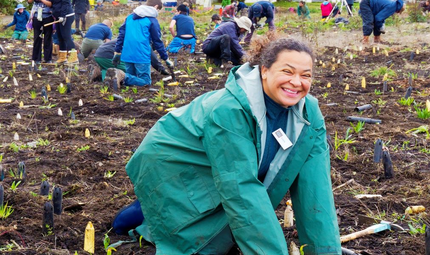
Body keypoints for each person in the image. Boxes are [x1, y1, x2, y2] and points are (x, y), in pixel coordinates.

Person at [112, 35, 342, 255]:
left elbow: (316, 187)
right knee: (192, 234)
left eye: (306, 75)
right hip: (172, 160)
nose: (296, 82)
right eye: (287, 71)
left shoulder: (309, 113)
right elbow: (241, 188)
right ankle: (143, 212)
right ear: (264, 70)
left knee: (224, 219)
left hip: (222, 165)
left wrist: (326, 252)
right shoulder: (230, 109)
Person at [108, 0, 171, 90]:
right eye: (158, 10)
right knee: (145, 81)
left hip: (127, 53)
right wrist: (166, 58)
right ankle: (123, 77)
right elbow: (157, 41)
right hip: (141, 54)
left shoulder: (129, 17)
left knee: (131, 79)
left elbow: (121, 36)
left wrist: (117, 52)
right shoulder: (151, 20)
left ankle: (121, 79)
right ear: (156, 6)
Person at [89, 39, 170, 82]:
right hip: (108, 55)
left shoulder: (133, 38)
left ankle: (100, 75)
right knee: (126, 72)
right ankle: (104, 76)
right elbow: (154, 59)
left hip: (99, 55)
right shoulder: (144, 43)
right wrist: (162, 70)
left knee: (109, 68)